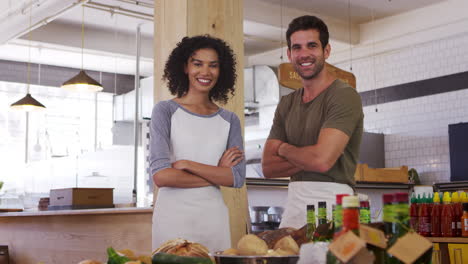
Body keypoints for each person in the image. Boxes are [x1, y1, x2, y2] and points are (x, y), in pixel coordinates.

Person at [262, 15, 364, 229]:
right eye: (297, 47)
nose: (304, 54)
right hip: (295, 202)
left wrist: (283, 147)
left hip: (334, 202)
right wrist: (314, 155)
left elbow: (321, 162)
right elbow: (269, 168)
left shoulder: (343, 95)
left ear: (326, 51)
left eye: (312, 46)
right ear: (289, 54)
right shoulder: (286, 103)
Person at [149, 35, 246, 252]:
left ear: (221, 71)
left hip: (213, 220)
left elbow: (237, 178)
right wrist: (218, 173)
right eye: (197, 64)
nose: (205, 72)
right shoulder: (165, 111)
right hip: (172, 221)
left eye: (213, 65)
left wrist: (188, 164)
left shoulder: (229, 120)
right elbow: (161, 176)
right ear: (185, 67)